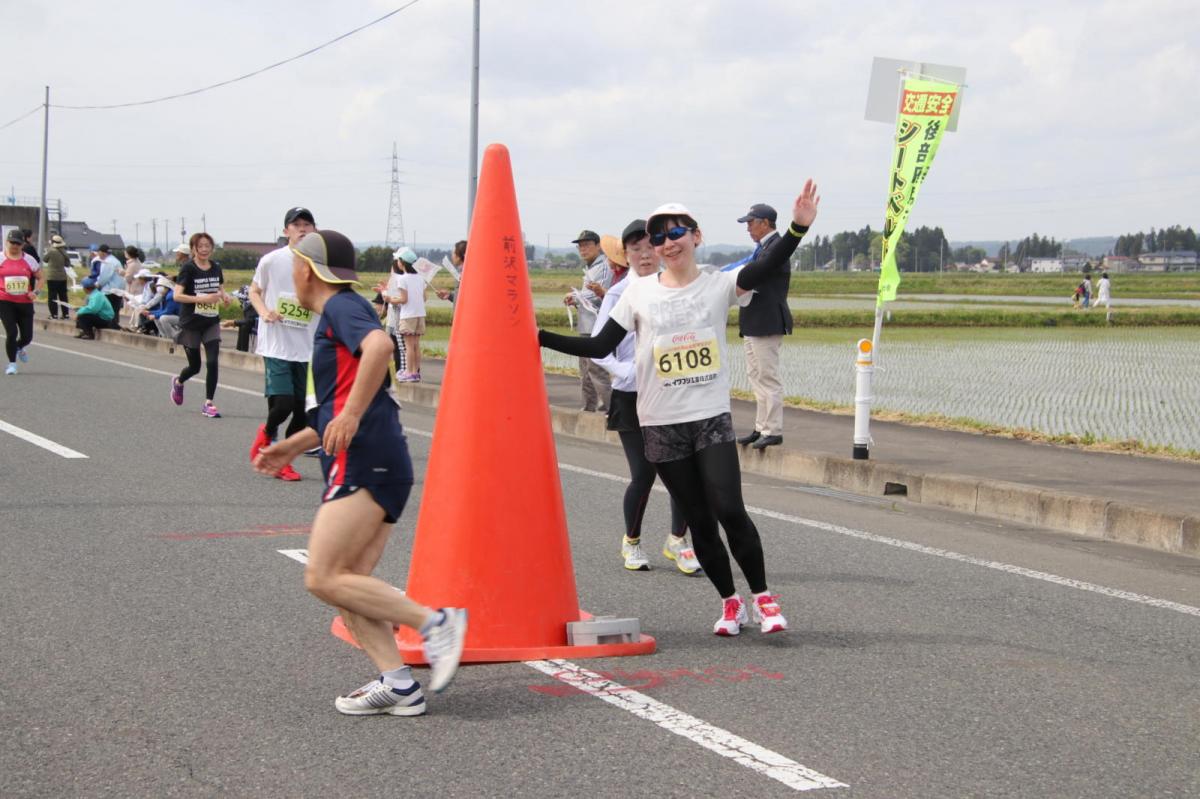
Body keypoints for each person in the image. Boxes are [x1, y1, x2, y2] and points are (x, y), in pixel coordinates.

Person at [537, 180, 820, 636]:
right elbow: (598, 343)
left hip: (709, 417)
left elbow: (766, 265)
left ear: (696, 236)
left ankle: (764, 598)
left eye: (677, 232)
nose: (668, 242)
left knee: (729, 508)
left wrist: (798, 229)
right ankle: (730, 603)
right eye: (659, 236)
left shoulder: (719, 285)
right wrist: (537, 337)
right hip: (660, 423)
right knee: (699, 521)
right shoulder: (637, 294)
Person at [253, 228, 467, 715]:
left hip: (365, 459)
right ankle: (399, 686)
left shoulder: (341, 307)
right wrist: (292, 445)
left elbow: (379, 348)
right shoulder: (339, 311)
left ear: (306, 271)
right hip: (379, 457)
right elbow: (342, 409)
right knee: (350, 583)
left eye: (294, 266)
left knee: (323, 577)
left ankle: (436, 623)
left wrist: (348, 415)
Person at [595, 219, 700, 574]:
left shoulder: (673, 287)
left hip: (671, 394)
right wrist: (626, 372)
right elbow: (598, 347)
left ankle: (678, 541)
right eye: (635, 249)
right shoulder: (618, 293)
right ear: (625, 255)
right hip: (631, 397)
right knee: (644, 474)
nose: (643, 254)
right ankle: (632, 542)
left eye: (648, 247)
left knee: (684, 475)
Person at [248, 207, 319, 482]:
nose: (302, 229)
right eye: (296, 224)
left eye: (307, 224)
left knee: (303, 412)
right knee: (284, 403)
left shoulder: (320, 264)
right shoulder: (271, 260)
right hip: (277, 343)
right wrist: (264, 312)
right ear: (286, 230)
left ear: (314, 230)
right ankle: (266, 434)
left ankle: (283, 460)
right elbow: (255, 291)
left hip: (308, 346)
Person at [734, 203, 792, 450]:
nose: (748, 227)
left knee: (767, 376)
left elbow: (757, 275)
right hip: (753, 319)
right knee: (755, 376)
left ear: (765, 223)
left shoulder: (777, 247)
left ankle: (773, 429)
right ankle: (760, 427)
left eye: (751, 222)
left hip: (766, 320)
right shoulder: (762, 248)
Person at [170, 232, 230, 418]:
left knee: (212, 362)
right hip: (192, 323)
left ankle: (208, 403)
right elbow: (177, 295)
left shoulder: (216, 267)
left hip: (211, 321)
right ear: (194, 248)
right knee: (195, 367)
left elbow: (219, 288)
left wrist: (225, 296)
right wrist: (202, 298)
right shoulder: (188, 269)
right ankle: (179, 381)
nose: (204, 249)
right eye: (200, 246)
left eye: (208, 246)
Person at [1, 228, 40, 374]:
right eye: (12, 243)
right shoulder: (1, 258)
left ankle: (19, 346)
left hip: (24, 302)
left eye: (18, 243)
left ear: (22, 244)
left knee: (27, 337)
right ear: (7, 242)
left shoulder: (29, 260)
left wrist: (35, 291)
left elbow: (41, 277)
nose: (15, 246)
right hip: (5, 301)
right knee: (11, 333)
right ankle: (12, 364)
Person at [391, 248, 427, 382]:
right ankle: (416, 372)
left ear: (402, 262)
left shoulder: (402, 279)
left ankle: (409, 372)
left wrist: (390, 300)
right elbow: (424, 298)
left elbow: (403, 299)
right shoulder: (420, 278)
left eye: (398, 260)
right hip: (420, 315)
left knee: (409, 346)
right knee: (416, 345)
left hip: (408, 316)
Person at [42, 234, 71, 320]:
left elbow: (45, 259)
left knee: (52, 296)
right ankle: (66, 314)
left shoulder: (51, 251)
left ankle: (54, 315)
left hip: (52, 277)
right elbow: (67, 264)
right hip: (62, 276)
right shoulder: (64, 251)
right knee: (63, 296)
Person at [95, 244, 127, 320]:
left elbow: (105, 276)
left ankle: (111, 324)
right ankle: (114, 324)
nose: (98, 254)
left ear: (103, 253)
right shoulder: (115, 260)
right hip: (118, 289)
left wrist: (98, 285)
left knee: (109, 309)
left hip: (110, 290)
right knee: (115, 309)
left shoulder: (108, 262)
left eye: (98, 252)